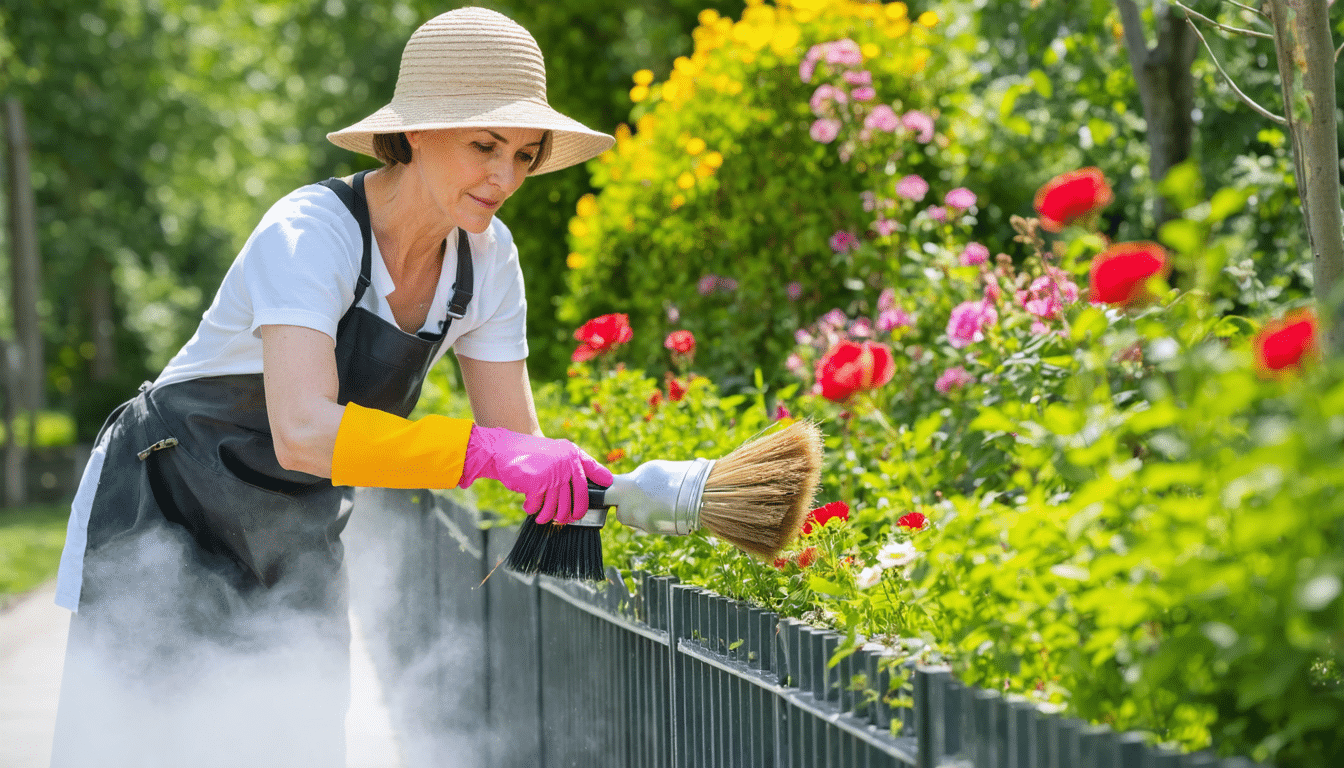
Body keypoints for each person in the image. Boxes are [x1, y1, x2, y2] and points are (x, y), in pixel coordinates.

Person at [49, 8, 614, 767]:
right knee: (142, 740)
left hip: (297, 523)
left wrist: (603, 485)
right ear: (415, 133)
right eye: (485, 145)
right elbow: (306, 430)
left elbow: (518, 441)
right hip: (167, 503)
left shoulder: (488, 263)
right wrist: (486, 454)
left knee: (298, 734)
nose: (505, 177)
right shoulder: (310, 231)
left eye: (523, 153)